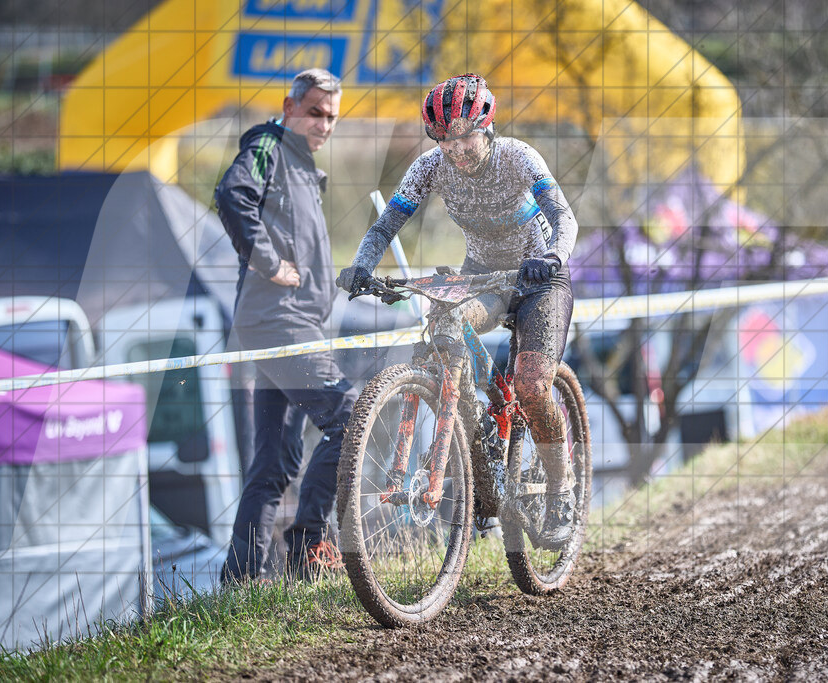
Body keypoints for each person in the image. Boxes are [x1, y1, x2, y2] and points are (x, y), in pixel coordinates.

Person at [338, 73, 579, 549]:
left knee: (531, 388)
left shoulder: (518, 157)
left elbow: (564, 217)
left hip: (538, 278)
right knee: (446, 331)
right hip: (484, 276)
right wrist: (362, 265)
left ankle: (561, 488)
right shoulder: (431, 166)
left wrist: (552, 258)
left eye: (464, 135)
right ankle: (481, 465)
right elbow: (389, 221)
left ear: (486, 127)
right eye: (444, 138)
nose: (455, 149)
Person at [215, 68, 357, 582]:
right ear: (290, 106)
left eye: (332, 117)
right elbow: (232, 194)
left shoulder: (301, 164)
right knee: (349, 417)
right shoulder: (269, 146)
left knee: (275, 463)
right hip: (278, 321)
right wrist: (269, 263)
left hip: (292, 324)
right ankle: (310, 543)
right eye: (316, 112)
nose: (324, 124)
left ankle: (241, 583)